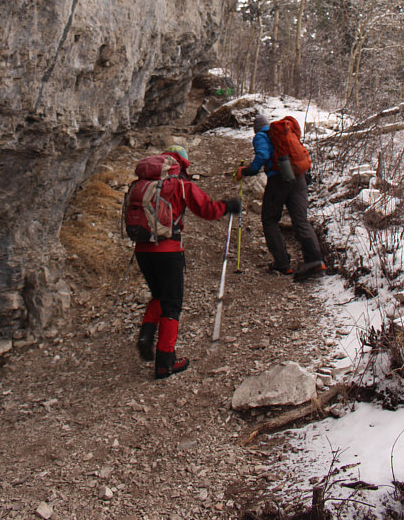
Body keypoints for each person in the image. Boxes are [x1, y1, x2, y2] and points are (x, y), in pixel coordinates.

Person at [134, 144, 241, 379]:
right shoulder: (180, 184)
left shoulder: (143, 182)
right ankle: (165, 361)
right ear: (182, 163)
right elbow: (207, 209)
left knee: (158, 295)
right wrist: (228, 206)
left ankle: (146, 334)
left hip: (142, 249)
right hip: (168, 249)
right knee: (172, 303)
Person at [235, 115, 325, 281]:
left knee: (269, 219)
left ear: (256, 128)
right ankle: (315, 261)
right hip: (298, 178)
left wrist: (247, 170)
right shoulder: (284, 133)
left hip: (279, 179)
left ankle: (282, 263)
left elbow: (262, 155)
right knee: (301, 220)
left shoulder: (261, 136)